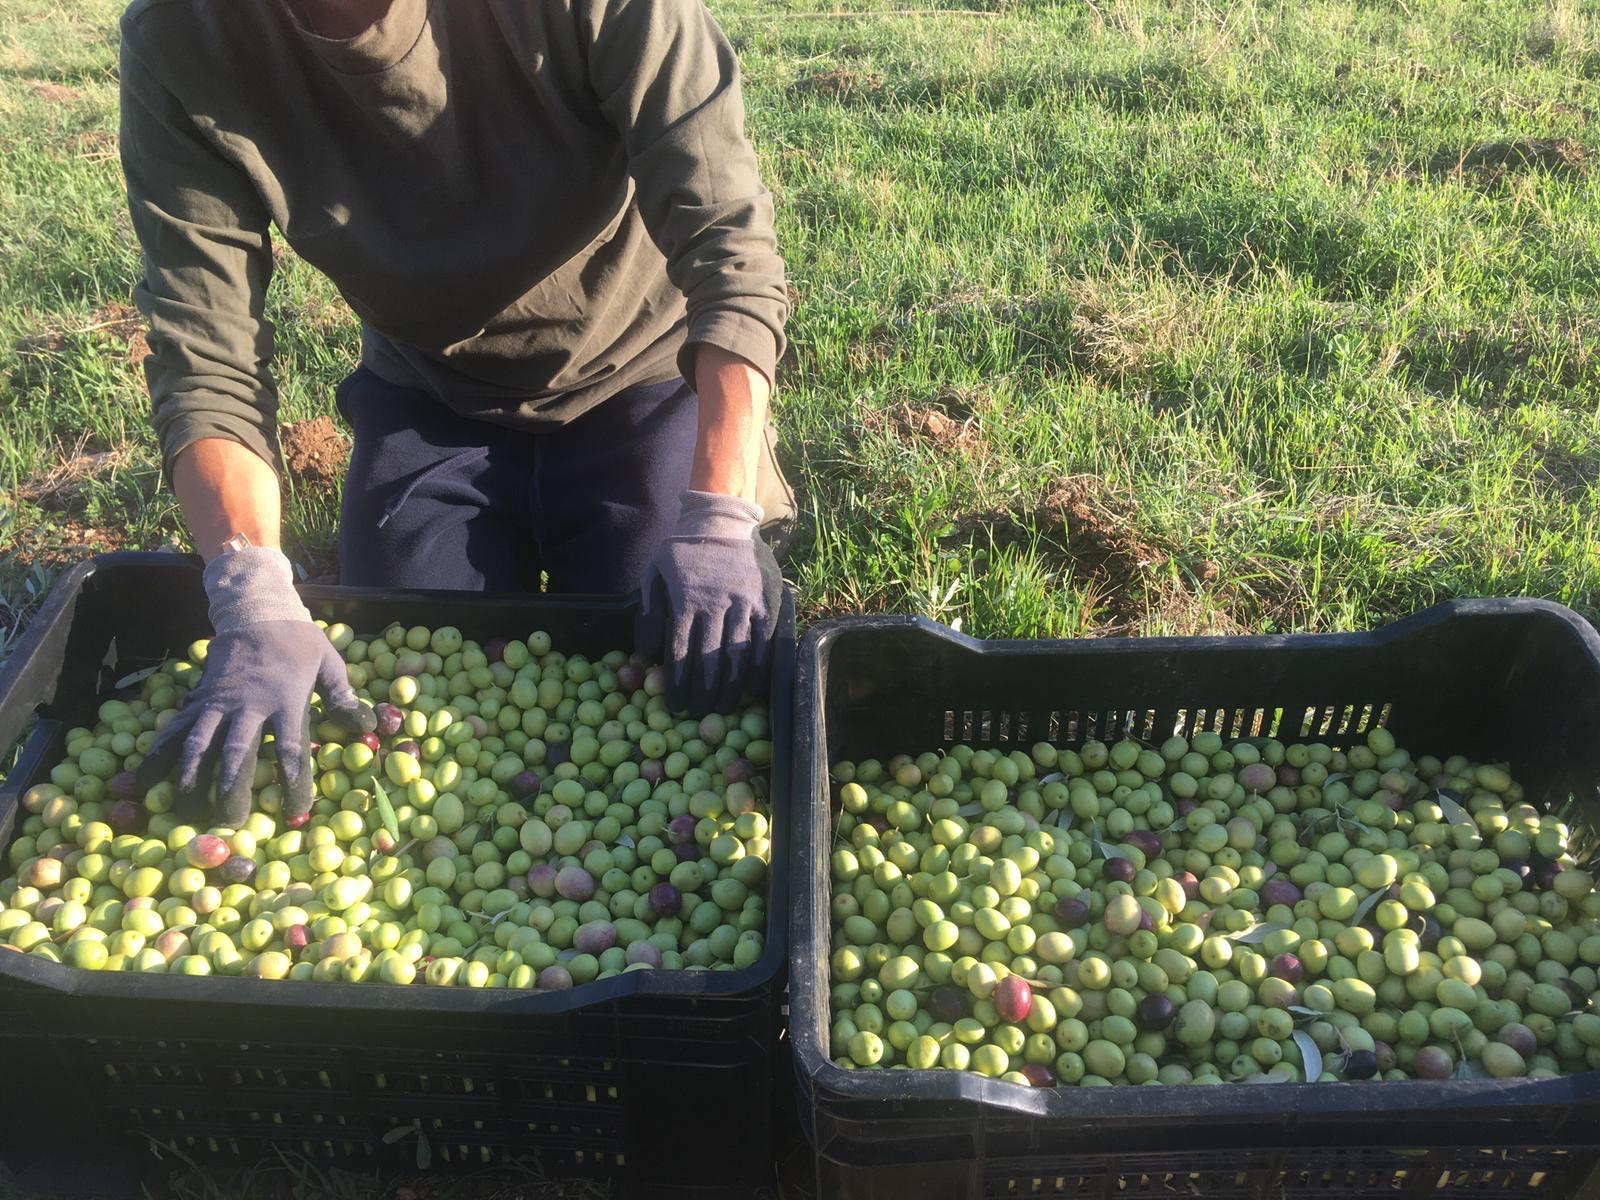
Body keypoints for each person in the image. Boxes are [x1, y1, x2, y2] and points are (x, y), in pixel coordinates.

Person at [121, 0, 793, 827]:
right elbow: (207, 357)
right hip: (430, 391)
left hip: (642, 366)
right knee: (407, 695)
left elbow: (732, 253)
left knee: (683, 671)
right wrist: (249, 590)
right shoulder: (186, 35)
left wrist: (722, 516)